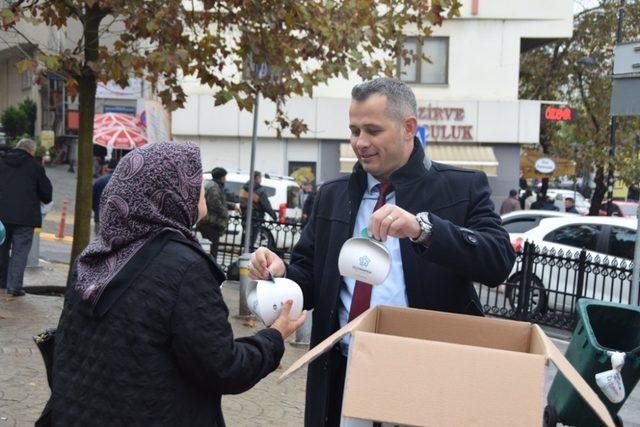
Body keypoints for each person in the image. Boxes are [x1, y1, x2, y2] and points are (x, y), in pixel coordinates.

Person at [248, 78, 515, 426]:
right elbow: (310, 280)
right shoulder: (333, 194)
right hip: (342, 370)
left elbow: (498, 262)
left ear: (408, 128)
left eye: (373, 130)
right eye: (354, 130)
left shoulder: (462, 187)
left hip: (426, 376)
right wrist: (281, 274)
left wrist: (424, 230)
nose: (360, 142)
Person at [39, 142, 306, 426]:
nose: (200, 187)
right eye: (194, 178)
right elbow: (224, 367)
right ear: (170, 191)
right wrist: (274, 336)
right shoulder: (184, 268)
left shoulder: (95, 255)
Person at [0, 139, 52, 296]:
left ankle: (2, 282)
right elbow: (46, 195)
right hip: (25, 218)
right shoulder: (36, 167)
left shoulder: (1, 163)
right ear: (31, 151)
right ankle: (13, 287)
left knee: (1, 249)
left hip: (1, 216)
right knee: (20, 252)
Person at [197, 167, 236, 258]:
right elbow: (215, 203)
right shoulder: (214, 187)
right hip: (211, 223)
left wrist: (232, 206)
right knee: (211, 251)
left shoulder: (210, 184)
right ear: (221, 177)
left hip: (207, 222)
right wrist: (225, 213)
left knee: (208, 249)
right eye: (225, 177)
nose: (225, 179)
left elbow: (218, 201)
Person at [239, 170, 277, 250]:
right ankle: (248, 254)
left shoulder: (243, 188)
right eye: (260, 177)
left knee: (247, 237)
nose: (261, 179)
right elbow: (266, 205)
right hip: (256, 217)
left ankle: (245, 253)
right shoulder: (260, 190)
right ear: (257, 178)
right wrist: (273, 215)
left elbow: (241, 202)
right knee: (252, 238)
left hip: (245, 216)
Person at [92, 158, 118, 235]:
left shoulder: (99, 181)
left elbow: (92, 200)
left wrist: (96, 210)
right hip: (115, 220)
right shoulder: (122, 182)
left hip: (99, 216)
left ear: (107, 168)